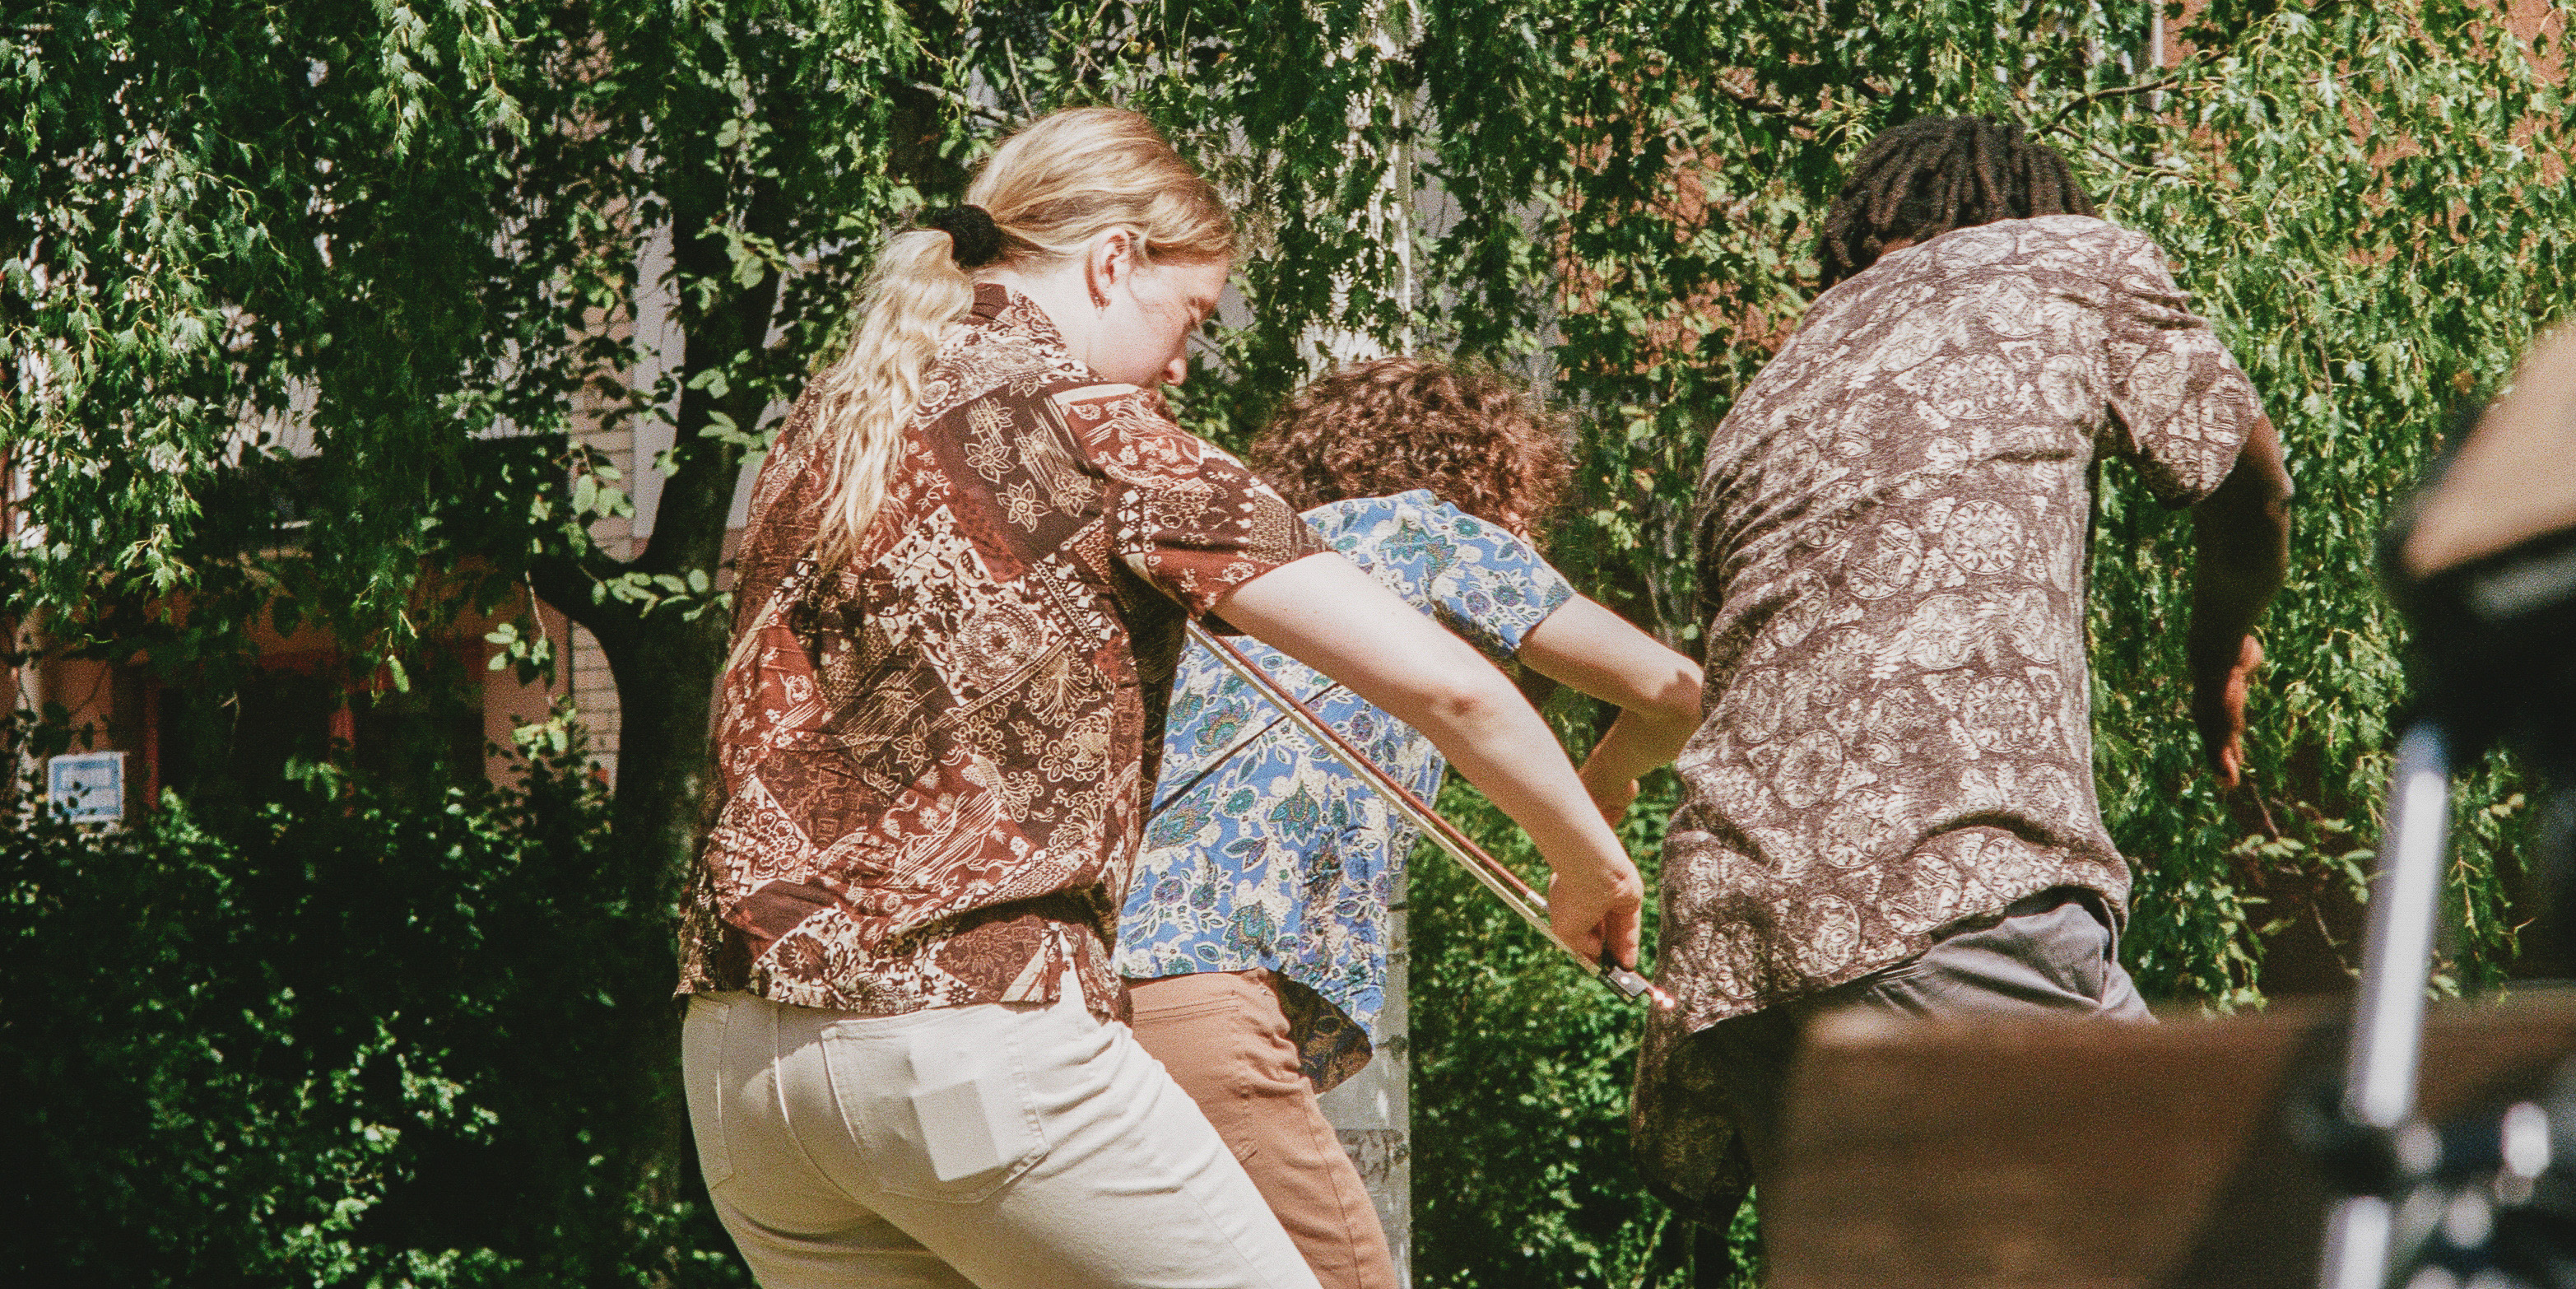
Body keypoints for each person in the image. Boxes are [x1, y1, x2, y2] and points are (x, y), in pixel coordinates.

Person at [672, 108, 1644, 1289]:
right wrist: (1591, 863)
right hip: (969, 1042)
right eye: (1190, 314)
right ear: (1111, 258)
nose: (1184, 362)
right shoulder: (1092, 427)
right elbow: (1450, 684)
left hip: (741, 1073)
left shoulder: (831, 422)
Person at [1607, 116, 2295, 1246]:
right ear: (2031, 200)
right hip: (1946, 888)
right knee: (2218, 1229)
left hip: (1736, 947)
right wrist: (2213, 655)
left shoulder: (1765, 391)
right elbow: (2251, 492)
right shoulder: (2074, 256)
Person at [1114, 356, 1704, 1289]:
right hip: (1205, 993)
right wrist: (1605, 782)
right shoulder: (1421, 527)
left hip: (1072, 1002)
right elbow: (1673, 691)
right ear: (1492, 473)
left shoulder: (1229, 578)